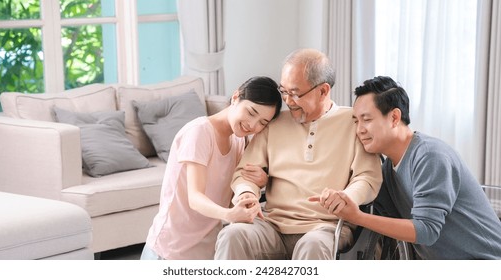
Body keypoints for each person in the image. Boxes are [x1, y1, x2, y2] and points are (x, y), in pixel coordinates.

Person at [214, 49, 382, 260]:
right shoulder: (273, 123)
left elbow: (368, 177)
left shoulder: (353, 121)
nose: (287, 100)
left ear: (323, 91)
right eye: (283, 92)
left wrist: (347, 196)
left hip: (325, 227)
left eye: (295, 93)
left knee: (312, 246)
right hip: (272, 225)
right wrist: (246, 192)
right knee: (233, 235)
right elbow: (243, 174)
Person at [332, 75, 501, 259]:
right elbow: (392, 224)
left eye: (367, 119)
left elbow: (426, 231)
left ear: (394, 117)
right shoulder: (387, 170)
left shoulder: (430, 156)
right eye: (356, 121)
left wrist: (357, 217)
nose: (359, 130)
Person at [140, 76, 283, 260]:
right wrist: (229, 215)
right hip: (170, 251)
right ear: (235, 97)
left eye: (262, 122)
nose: (253, 125)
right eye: (251, 112)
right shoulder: (199, 132)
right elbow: (195, 198)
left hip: (206, 252)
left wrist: (261, 182)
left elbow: (231, 195)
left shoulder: (240, 140)